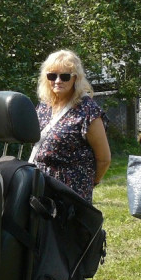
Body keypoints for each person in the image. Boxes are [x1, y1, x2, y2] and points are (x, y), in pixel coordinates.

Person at [30, 50, 110, 202]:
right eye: (52, 75)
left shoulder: (87, 110)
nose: (58, 81)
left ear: (75, 79)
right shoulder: (44, 106)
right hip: (40, 186)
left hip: (70, 192)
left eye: (65, 76)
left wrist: (88, 183)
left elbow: (104, 159)